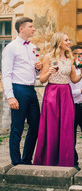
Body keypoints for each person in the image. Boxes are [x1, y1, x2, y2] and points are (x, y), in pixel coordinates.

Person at [33, 32, 82, 167]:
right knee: (52, 127)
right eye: (66, 40)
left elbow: (73, 79)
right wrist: (49, 72)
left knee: (66, 127)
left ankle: (65, 161)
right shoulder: (48, 57)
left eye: (69, 40)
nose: (69, 42)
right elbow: (43, 79)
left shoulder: (70, 59)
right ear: (59, 42)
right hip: (52, 93)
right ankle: (49, 160)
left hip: (66, 93)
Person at [1, 17, 42, 165]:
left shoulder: (34, 47)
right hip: (18, 89)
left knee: (36, 125)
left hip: (31, 89)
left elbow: (35, 73)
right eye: (30, 26)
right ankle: (16, 162)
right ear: (21, 29)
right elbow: (6, 74)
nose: (33, 29)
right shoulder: (11, 47)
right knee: (17, 127)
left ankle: (26, 159)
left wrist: (39, 69)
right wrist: (10, 96)